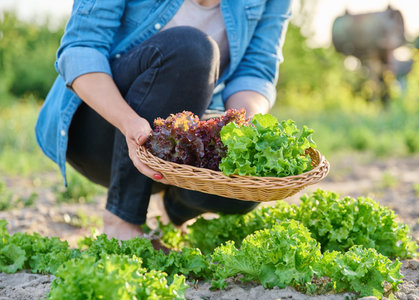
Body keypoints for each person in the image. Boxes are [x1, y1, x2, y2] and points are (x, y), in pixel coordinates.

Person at [35, 0, 293, 245]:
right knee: (193, 49)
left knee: (246, 182)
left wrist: (242, 131)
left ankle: (175, 209)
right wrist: (130, 124)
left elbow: (256, 70)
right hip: (99, 132)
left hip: (168, 143)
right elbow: (82, 49)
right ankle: (121, 220)